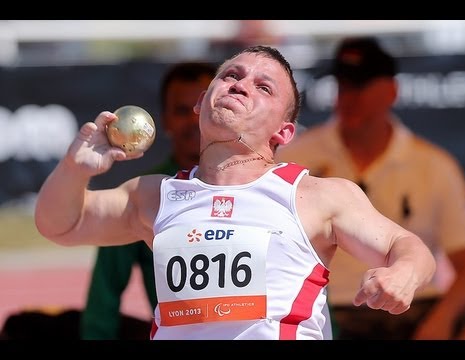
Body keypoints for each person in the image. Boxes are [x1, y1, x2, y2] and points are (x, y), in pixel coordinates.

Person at [34, 45, 435, 340]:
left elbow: (405, 244)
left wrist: (404, 272)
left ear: (284, 132)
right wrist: (74, 170)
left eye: (264, 87)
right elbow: (60, 226)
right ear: (201, 104)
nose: (241, 85)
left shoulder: (315, 196)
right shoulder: (153, 195)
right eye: (231, 76)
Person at [275, 36, 465, 340]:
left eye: (361, 86)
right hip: (329, 307)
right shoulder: (294, 157)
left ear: (391, 91)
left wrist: (441, 320)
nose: (349, 98)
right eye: (343, 87)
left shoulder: (434, 165)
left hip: (414, 304)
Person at [80, 61, 217, 339]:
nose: (193, 120)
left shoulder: (261, 185)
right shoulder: (142, 194)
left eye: (202, 109)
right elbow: (104, 296)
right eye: (181, 111)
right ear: (164, 120)